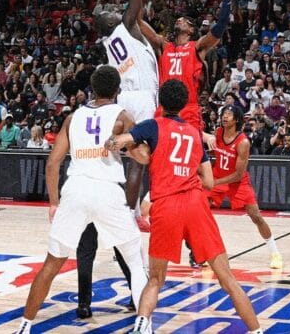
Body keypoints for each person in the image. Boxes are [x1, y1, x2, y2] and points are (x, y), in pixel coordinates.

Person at [105, 80, 262, 334]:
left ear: (161, 103)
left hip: (166, 205)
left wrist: (119, 144)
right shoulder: (192, 132)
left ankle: (142, 326)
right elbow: (209, 182)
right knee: (227, 278)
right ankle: (257, 331)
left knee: (155, 279)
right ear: (182, 105)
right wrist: (185, 174)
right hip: (195, 203)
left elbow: (119, 141)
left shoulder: (153, 125)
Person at [16, 66, 147, 333]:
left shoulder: (72, 117)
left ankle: (25, 325)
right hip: (107, 190)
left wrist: (54, 203)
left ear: (92, 89)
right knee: (135, 262)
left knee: (51, 264)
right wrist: (125, 142)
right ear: (117, 90)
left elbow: (53, 164)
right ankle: (144, 327)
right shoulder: (122, 116)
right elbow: (143, 157)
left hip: (75, 189)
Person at [78, 0, 151, 318]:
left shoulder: (112, 43)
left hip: (134, 96)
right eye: (106, 10)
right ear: (107, 22)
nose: (112, 8)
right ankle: (131, 205)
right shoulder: (123, 27)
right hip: (139, 97)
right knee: (135, 153)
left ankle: (132, 203)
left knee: (131, 153)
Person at [139, 0, 238, 132]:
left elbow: (220, 26)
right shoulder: (163, 45)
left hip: (189, 108)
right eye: (179, 19)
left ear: (191, 29)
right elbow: (137, 21)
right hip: (164, 108)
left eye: (185, 20)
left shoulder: (197, 47)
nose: (180, 20)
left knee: (194, 154)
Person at [207, 105, 283, 269]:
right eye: (224, 113)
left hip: (236, 181)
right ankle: (207, 252)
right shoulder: (218, 133)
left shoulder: (243, 142)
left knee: (255, 216)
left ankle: (275, 253)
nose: (225, 116)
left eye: (229, 114)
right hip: (218, 176)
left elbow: (238, 175)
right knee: (201, 211)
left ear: (236, 119)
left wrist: (214, 183)